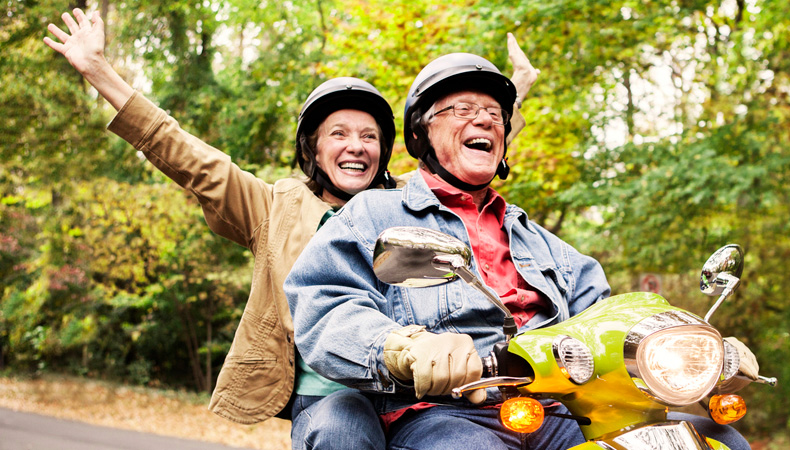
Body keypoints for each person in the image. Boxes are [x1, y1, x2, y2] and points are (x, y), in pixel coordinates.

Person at [43, 9, 541, 449]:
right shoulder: (272, 207)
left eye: (369, 136)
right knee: (343, 428)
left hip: (412, 393)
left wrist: (509, 96)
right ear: (313, 150)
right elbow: (183, 153)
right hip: (329, 395)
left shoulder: (402, 206)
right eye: (339, 134)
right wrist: (98, 70)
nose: (356, 146)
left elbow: (463, 152)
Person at [284, 52, 758, 449]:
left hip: (561, 411)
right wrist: (403, 347)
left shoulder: (544, 243)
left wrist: (697, 349)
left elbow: (610, 318)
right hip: (445, 414)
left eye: (495, 114)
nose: (485, 119)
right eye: (463, 109)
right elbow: (326, 305)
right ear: (421, 134)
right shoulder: (374, 214)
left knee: (715, 438)